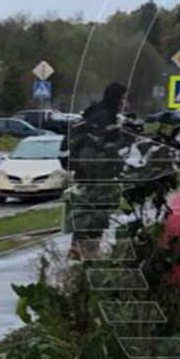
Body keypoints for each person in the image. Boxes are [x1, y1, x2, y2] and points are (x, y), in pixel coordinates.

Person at [63, 82, 132, 260]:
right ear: (117, 98)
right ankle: (85, 257)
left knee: (89, 216)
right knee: (93, 217)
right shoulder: (103, 116)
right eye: (123, 97)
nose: (125, 101)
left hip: (90, 175)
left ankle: (81, 253)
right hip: (94, 176)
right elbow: (96, 149)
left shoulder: (100, 112)